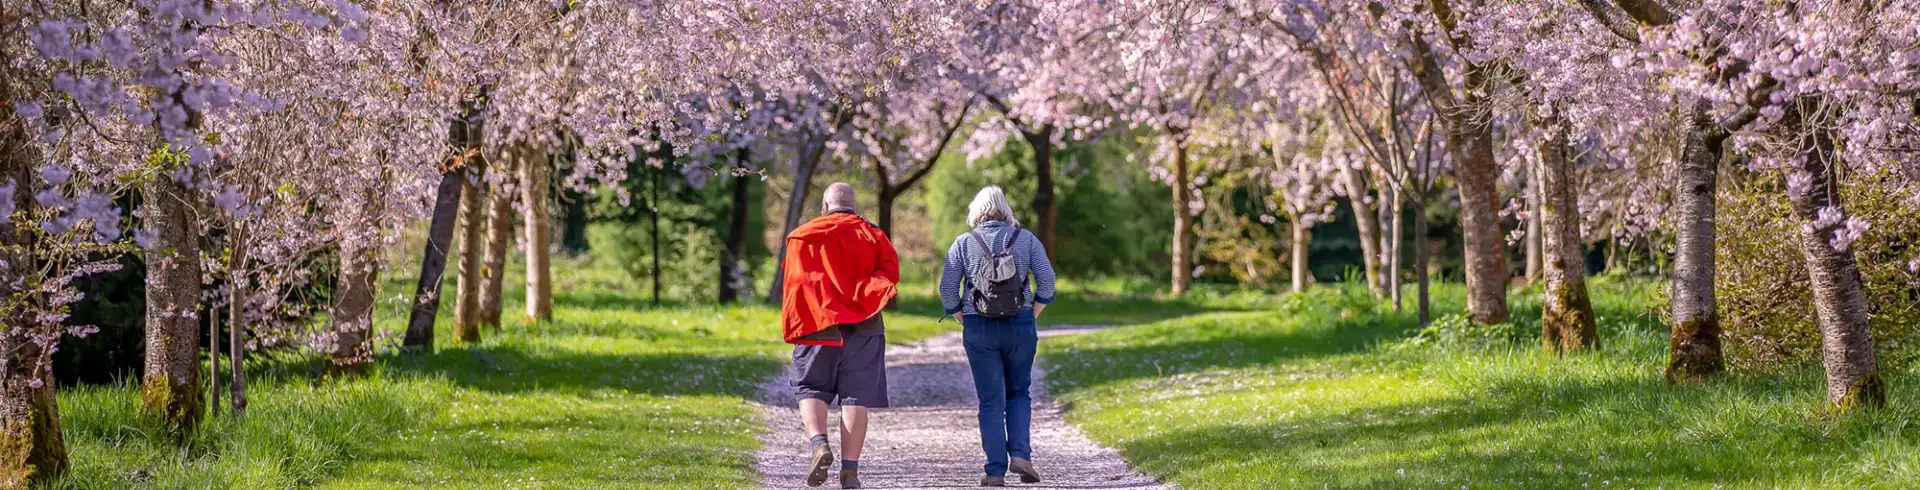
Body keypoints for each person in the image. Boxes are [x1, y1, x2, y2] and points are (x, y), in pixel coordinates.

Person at [780, 182, 900, 489]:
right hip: (865, 326)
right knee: (855, 397)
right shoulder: (873, 235)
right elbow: (889, 274)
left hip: (818, 324)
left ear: (824, 207)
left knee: (809, 387)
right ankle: (850, 472)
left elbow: (796, 282)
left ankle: (819, 443)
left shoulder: (801, 236)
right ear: (854, 207)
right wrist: (863, 296)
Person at [939, 185, 1056, 487]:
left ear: (975, 212)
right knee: (1019, 392)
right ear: (1006, 210)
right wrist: (1033, 313)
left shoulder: (964, 243)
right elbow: (1047, 281)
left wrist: (961, 315)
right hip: (1020, 325)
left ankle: (994, 471)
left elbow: (947, 288)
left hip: (979, 328)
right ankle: (1021, 457)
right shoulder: (1026, 239)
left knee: (991, 401)